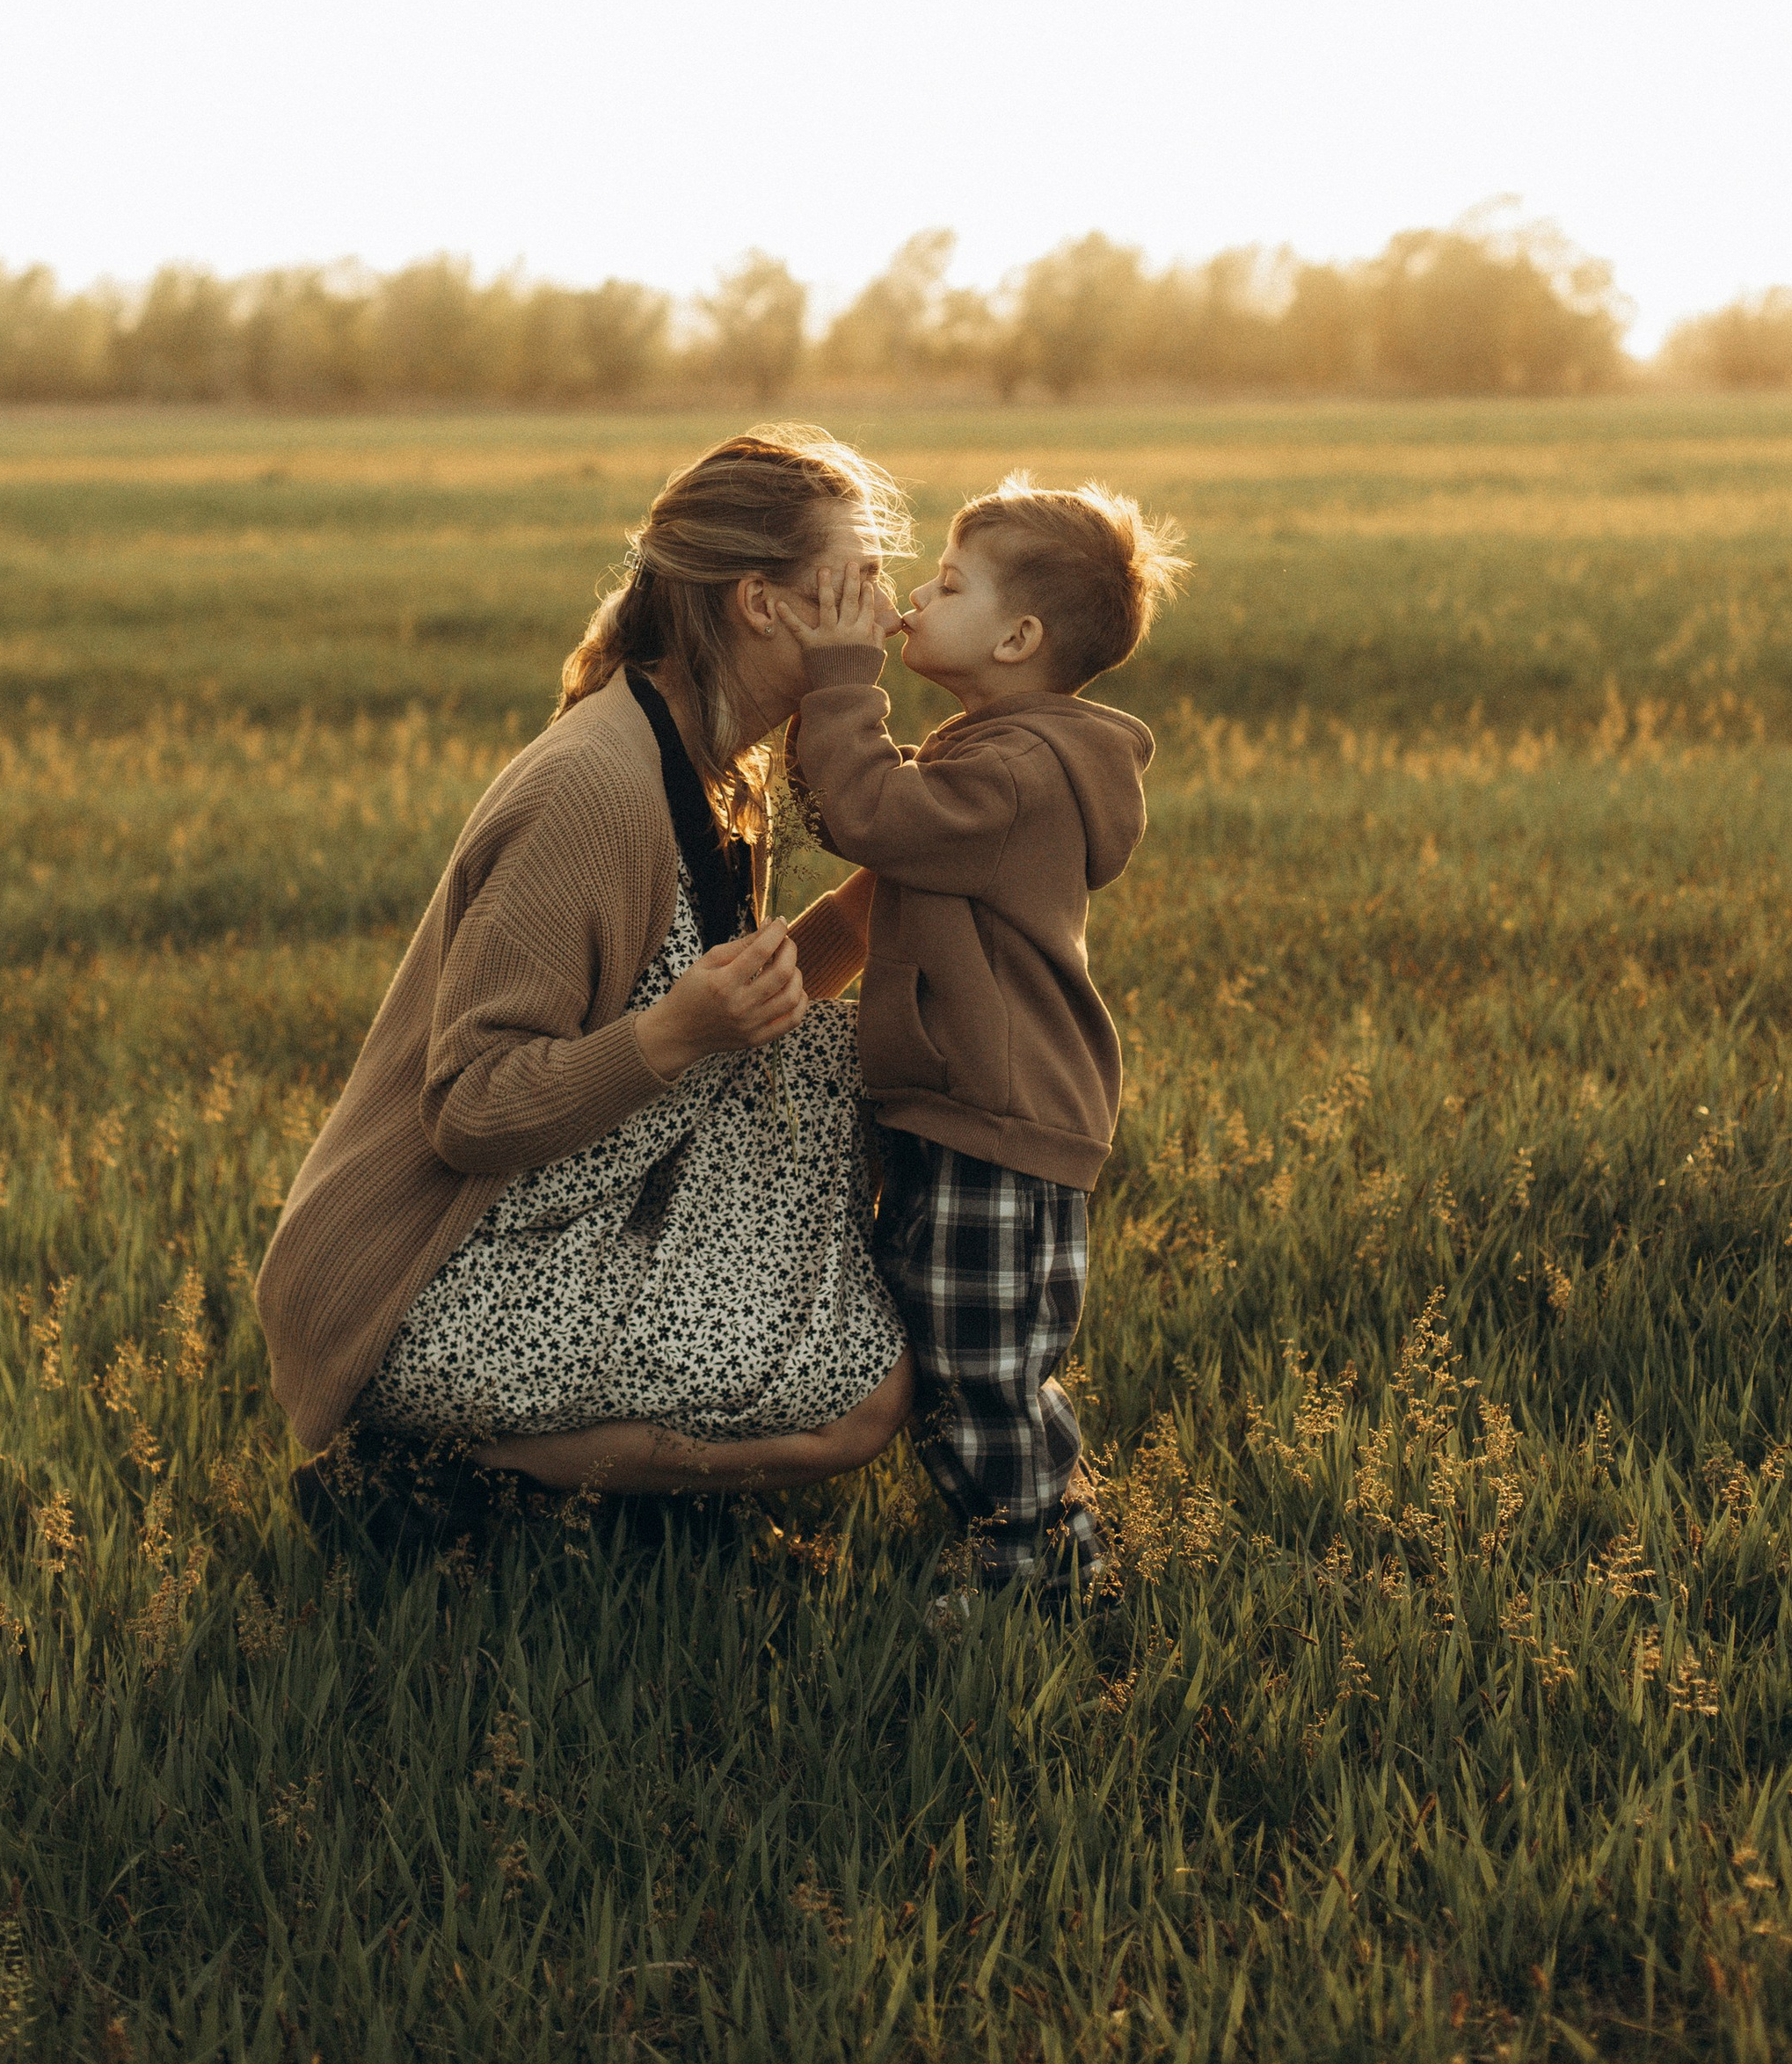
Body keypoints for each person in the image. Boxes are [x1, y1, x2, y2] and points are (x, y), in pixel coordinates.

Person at [256, 430, 913, 1506]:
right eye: (861, 581)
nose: (887, 617)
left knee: (858, 1374)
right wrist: (678, 1034)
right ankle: (429, 1475)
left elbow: (733, 1001)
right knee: (859, 1405)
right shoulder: (596, 790)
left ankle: (521, 1495)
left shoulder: (708, 762)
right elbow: (468, 1105)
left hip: (556, 1205)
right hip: (420, 1279)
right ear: (761, 602)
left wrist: (866, 908)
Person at [777, 476, 1186, 1603]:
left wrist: (839, 677)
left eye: (946, 584)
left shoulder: (1012, 771)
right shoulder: (997, 750)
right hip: (968, 1109)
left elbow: (869, 816)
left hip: (997, 1123)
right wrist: (796, 978)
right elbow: (879, 888)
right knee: (954, 1347)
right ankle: (1021, 1547)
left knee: (983, 1369)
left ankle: (1040, 1573)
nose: (916, 594)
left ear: (1017, 637)